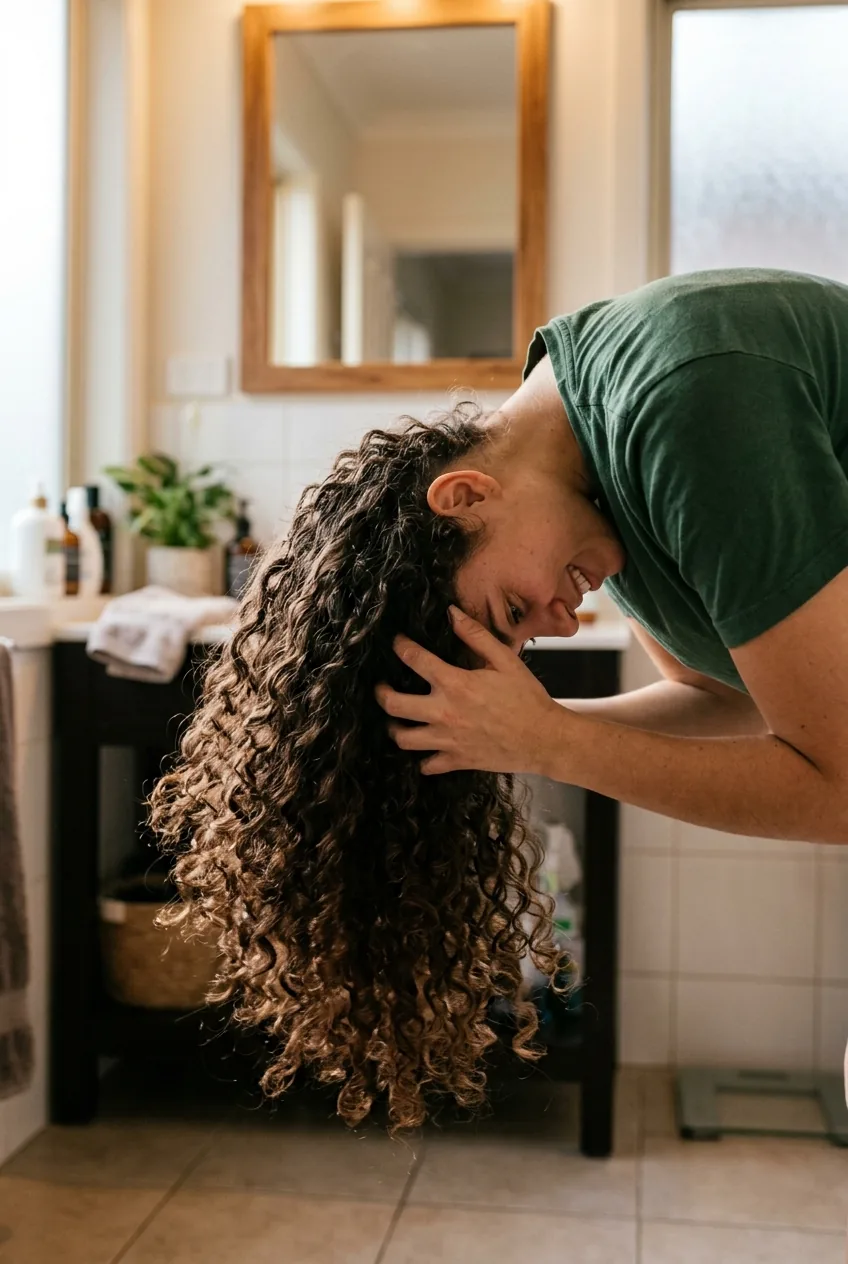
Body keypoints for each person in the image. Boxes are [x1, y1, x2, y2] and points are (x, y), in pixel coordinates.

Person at [151, 267, 848, 1132]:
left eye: (511, 614)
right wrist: (523, 735)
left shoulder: (681, 409)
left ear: (467, 496)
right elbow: (717, 696)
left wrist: (554, 743)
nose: (556, 624)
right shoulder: (586, 465)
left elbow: (839, 788)